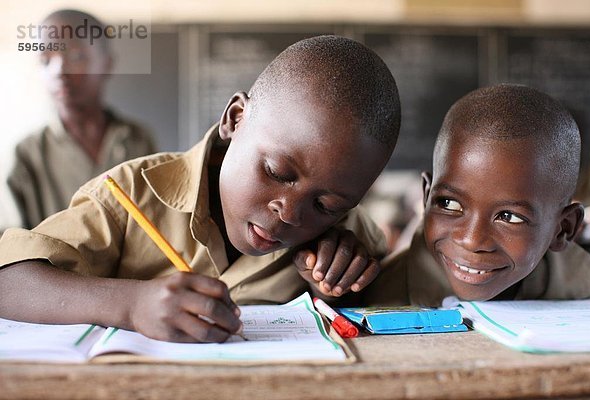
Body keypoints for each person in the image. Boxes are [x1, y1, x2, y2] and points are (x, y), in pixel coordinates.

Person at [0, 35, 401, 343]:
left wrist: (332, 291)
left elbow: (387, 322)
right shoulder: (129, 195)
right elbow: (9, 283)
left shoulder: (348, 235)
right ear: (235, 118)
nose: (291, 213)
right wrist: (131, 304)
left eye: (325, 204)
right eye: (278, 171)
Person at [364, 84, 590, 307]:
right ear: (426, 198)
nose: (472, 240)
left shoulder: (589, 298)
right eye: (448, 203)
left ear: (563, 229)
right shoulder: (369, 298)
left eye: (509, 217)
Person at [7, 9, 156, 229]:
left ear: (106, 64)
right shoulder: (27, 154)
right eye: (45, 60)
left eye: (76, 56)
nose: (59, 70)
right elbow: (11, 248)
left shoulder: (138, 140)